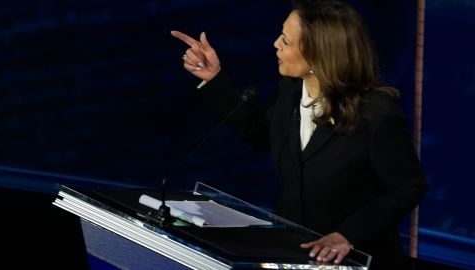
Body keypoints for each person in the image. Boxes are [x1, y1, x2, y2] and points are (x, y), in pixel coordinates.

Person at [171, 0, 428, 269]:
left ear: (319, 53)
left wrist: (347, 235)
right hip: (290, 255)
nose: (275, 44)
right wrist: (214, 78)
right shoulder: (291, 91)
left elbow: (408, 187)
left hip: (354, 260)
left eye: (286, 40)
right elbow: (259, 133)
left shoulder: (376, 113)